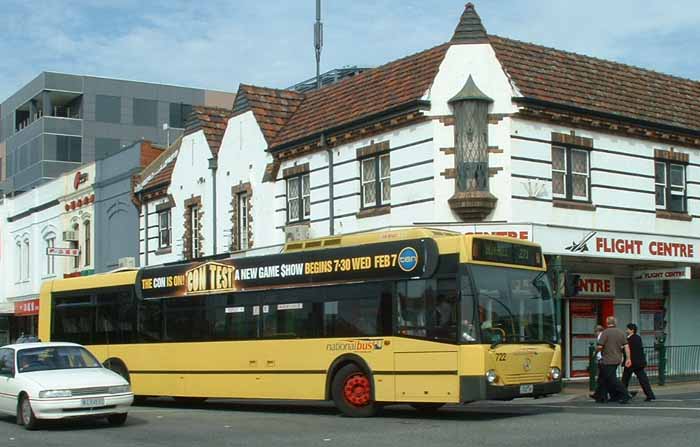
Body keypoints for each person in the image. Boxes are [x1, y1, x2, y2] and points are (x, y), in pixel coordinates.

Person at [597, 316, 633, 404]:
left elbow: (600, 346)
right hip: (617, 358)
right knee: (604, 378)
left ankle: (625, 394)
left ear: (607, 322)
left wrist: (596, 351)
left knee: (612, 379)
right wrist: (628, 358)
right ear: (615, 322)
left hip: (607, 359)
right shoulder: (621, 333)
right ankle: (603, 397)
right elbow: (626, 346)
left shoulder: (605, 333)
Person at [622, 323, 656, 402]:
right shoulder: (638, 338)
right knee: (643, 380)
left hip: (630, 362)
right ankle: (650, 395)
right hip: (639, 362)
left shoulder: (629, 339)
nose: (626, 330)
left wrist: (625, 353)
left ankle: (623, 395)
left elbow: (627, 349)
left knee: (625, 380)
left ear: (632, 330)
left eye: (627, 329)